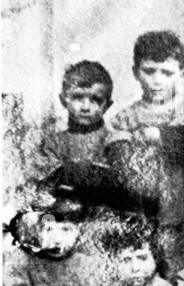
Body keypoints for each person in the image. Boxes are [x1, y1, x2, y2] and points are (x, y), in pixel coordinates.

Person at [104, 30, 184, 267]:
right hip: (146, 209)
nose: (157, 80)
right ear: (135, 72)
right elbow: (120, 160)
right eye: (149, 71)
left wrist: (163, 137)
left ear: (182, 74)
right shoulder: (125, 119)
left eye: (167, 73)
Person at [35, 61, 127, 210]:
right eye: (78, 97)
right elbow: (43, 193)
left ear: (108, 105)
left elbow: (124, 191)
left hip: (103, 215)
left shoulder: (115, 141)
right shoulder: (53, 144)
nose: (85, 107)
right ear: (63, 100)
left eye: (95, 100)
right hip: (62, 218)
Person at [2, 195, 98, 286]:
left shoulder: (79, 217)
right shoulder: (22, 264)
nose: (53, 223)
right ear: (36, 247)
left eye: (46, 217)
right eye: (47, 229)